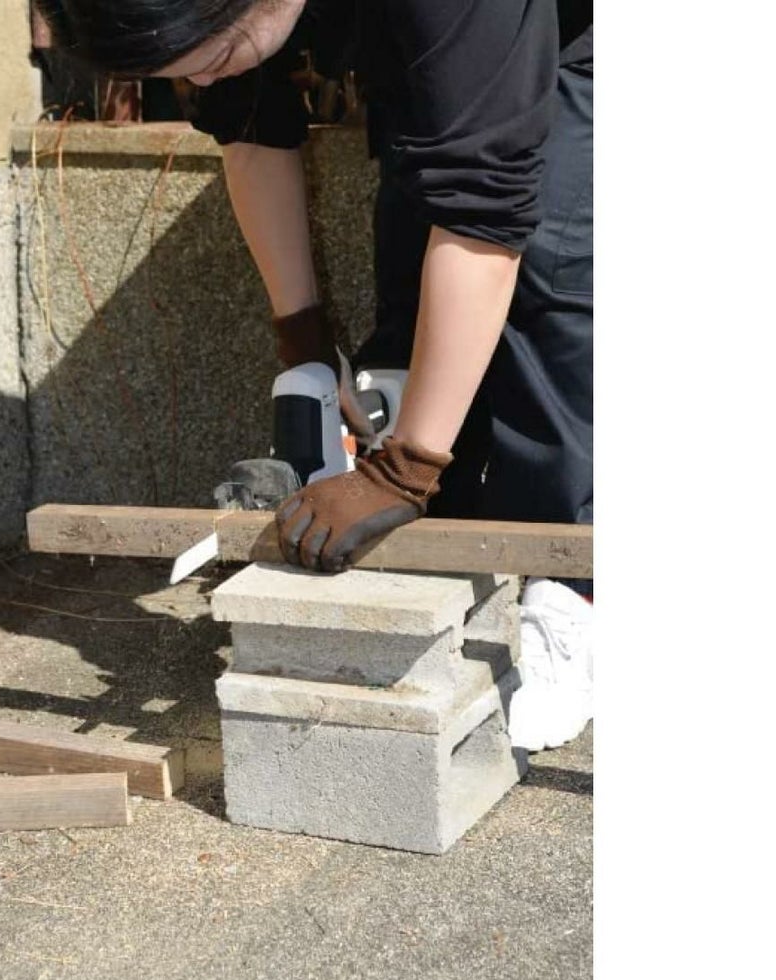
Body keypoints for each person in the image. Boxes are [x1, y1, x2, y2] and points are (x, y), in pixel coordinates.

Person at [37, 0, 592, 751]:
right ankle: (451, 539)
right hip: (426, 42)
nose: (202, 80)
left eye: (209, 60)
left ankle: (577, 593)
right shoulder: (206, 18)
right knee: (416, 273)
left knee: (552, 268)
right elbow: (250, 127)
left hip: (578, 38)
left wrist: (404, 471)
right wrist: (305, 346)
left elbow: (486, 207)